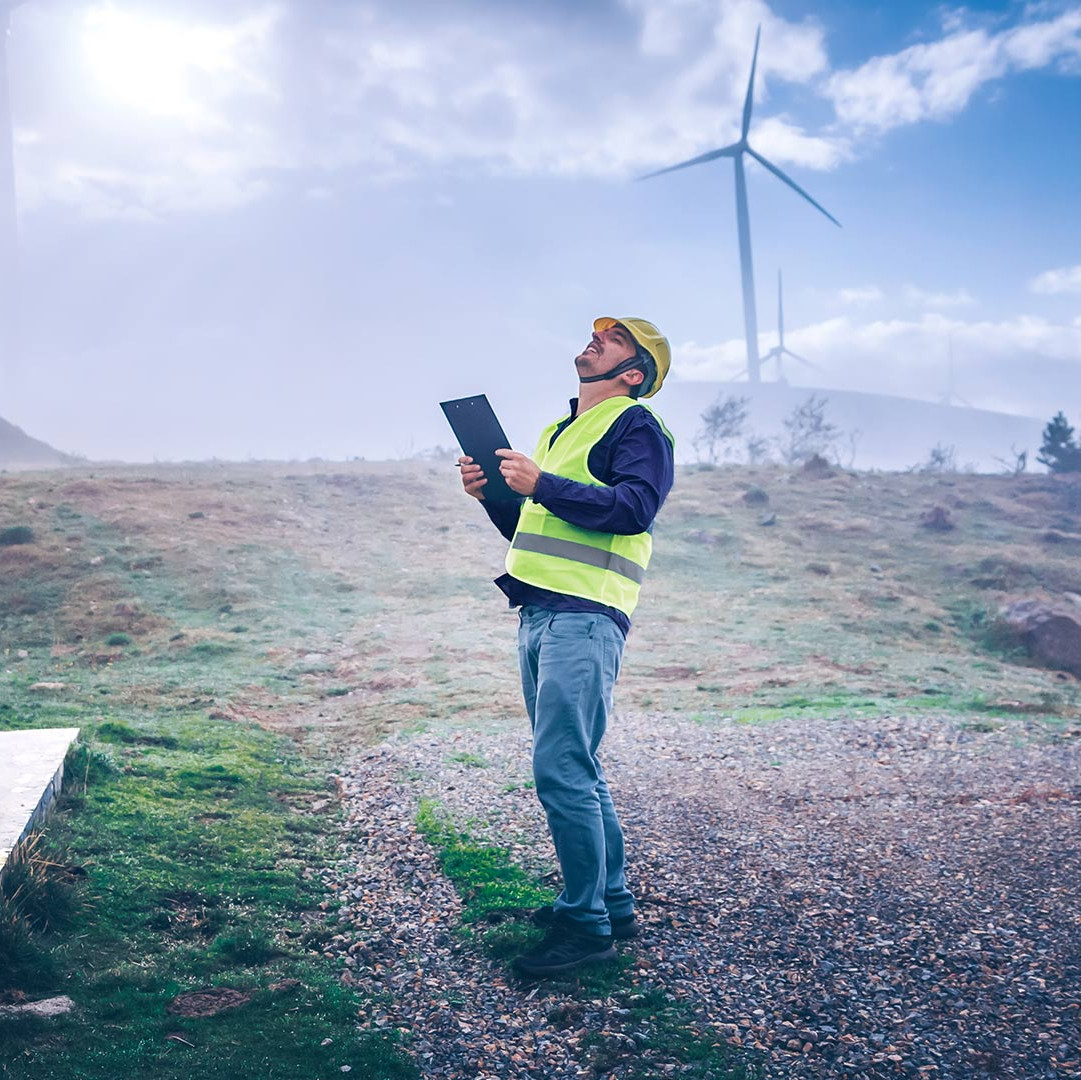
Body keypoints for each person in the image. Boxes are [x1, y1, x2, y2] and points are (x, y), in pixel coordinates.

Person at [458, 316, 675, 977]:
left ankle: (585, 929)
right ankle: (610, 903)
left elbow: (634, 508)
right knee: (576, 768)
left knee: (560, 771)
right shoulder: (557, 432)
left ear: (631, 373)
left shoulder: (636, 426)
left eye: (609, 341)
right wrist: (494, 497)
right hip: (539, 612)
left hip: (584, 617)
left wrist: (540, 484)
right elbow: (535, 525)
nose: (591, 342)